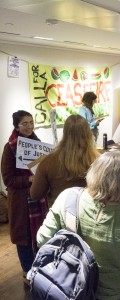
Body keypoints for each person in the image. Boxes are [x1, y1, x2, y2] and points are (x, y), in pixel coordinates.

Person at [36, 152, 120, 300]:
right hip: (114, 291)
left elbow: (42, 239)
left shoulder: (67, 197)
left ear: (94, 171)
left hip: (73, 287)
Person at [1, 110, 40, 286]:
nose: (30, 126)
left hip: (37, 198)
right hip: (20, 201)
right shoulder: (10, 148)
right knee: (23, 238)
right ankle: (27, 273)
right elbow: (8, 179)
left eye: (31, 122)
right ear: (16, 125)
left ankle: (40, 269)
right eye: (25, 123)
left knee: (39, 235)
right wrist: (28, 179)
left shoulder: (37, 143)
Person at [30, 114, 99, 207]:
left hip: (60, 214)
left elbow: (35, 194)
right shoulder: (98, 160)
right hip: (89, 214)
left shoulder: (48, 162)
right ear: (88, 133)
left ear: (65, 132)